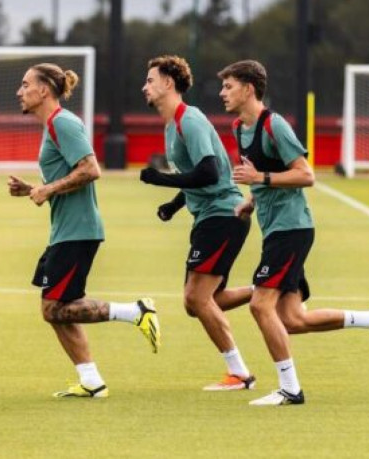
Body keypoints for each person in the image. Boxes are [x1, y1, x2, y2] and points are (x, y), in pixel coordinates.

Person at [218, 60, 369, 406]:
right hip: (276, 229)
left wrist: (260, 180)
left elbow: (306, 175)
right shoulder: (238, 128)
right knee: (291, 319)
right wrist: (251, 201)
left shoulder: (274, 126)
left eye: (228, 86)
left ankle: (290, 389)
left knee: (261, 306)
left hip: (293, 228)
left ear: (248, 88)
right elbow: (263, 173)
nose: (222, 93)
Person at [9, 63, 160, 399]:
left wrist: (47, 190)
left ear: (44, 90)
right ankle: (91, 380)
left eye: (25, 85)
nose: (19, 92)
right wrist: (35, 188)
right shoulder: (52, 126)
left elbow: (91, 169)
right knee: (57, 308)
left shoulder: (63, 122)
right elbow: (68, 176)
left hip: (77, 231)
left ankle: (136, 311)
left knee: (53, 308)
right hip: (65, 230)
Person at [139, 55, 256, 392]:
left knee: (195, 298)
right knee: (204, 302)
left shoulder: (189, 120)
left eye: (150, 80)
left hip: (224, 214)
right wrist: (175, 205)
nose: (144, 87)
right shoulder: (171, 125)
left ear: (168, 84)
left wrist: (160, 180)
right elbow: (197, 174)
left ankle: (240, 374)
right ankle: (272, 289)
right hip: (210, 215)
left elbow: (209, 171)